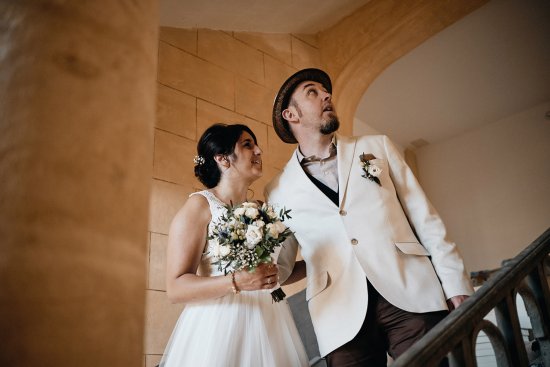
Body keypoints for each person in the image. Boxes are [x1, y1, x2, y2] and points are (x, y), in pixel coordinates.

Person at [265, 68, 474, 367]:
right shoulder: (277, 190)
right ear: (291, 115)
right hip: (339, 316)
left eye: (326, 91)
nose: (327, 95)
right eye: (313, 92)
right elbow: (282, 268)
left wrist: (455, 285)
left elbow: (425, 219)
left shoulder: (377, 147)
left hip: (411, 295)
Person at [160, 123, 309, 367]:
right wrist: (237, 281)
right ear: (222, 159)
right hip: (218, 326)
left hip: (270, 322)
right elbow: (175, 288)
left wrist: (325, 261)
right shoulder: (200, 206)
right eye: (248, 144)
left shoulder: (265, 210)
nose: (259, 151)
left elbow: (278, 273)